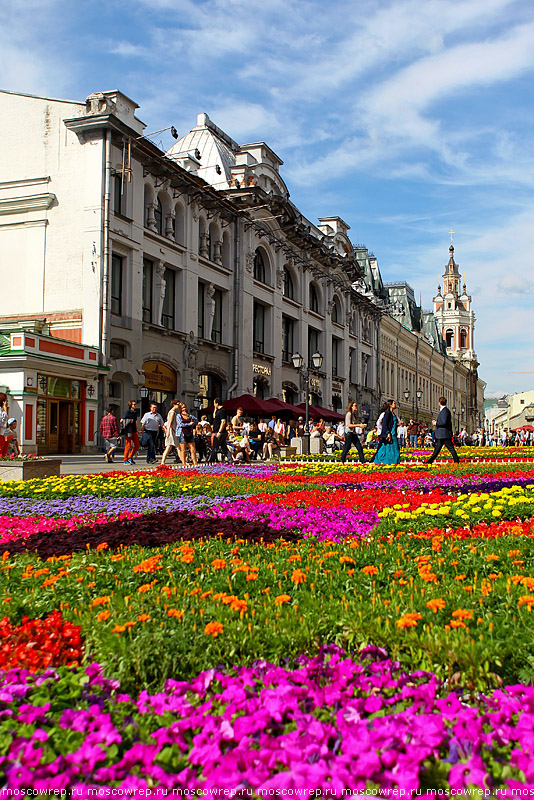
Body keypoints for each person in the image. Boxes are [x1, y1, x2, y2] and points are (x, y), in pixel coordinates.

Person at [426, 396, 460, 465]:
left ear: (439, 403)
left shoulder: (445, 411)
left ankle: (456, 460)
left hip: (444, 433)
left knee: (449, 448)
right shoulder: (445, 411)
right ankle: (430, 460)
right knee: (438, 448)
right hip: (443, 434)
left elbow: (444, 422)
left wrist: (436, 423)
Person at [375, 399, 401, 465]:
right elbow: (384, 423)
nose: (395, 404)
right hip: (391, 433)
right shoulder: (387, 413)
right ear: (390, 405)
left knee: (393, 448)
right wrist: (387, 433)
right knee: (389, 448)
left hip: (394, 433)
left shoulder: (394, 414)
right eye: (394, 403)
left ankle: (393, 461)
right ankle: (387, 461)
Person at [160, 399, 181, 466]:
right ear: (174, 405)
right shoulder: (172, 412)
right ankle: (183, 461)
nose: (179, 405)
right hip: (172, 431)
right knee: (175, 447)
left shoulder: (171, 412)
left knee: (172, 447)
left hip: (172, 431)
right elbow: (169, 423)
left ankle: (163, 462)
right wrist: (168, 431)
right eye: (178, 404)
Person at [210, 397, 229, 463]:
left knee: (215, 447)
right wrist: (215, 409)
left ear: (217, 403)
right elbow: (214, 417)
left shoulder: (222, 411)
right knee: (224, 448)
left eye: (214, 404)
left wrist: (219, 431)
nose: (214, 405)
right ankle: (230, 460)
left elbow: (223, 421)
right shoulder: (218, 411)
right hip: (218, 431)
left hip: (220, 432)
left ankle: (211, 461)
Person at [121, 400, 140, 465]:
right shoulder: (127, 412)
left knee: (137, 445)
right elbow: (121, 420)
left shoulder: (134, 412)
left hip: (134, 431)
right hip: (128, 431)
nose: (135, 405)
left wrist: (137, 430)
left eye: (135, 404)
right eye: (134, 404)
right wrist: (129, 421)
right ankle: (125, 460)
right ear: (130, 405)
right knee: (128, 445)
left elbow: (136, 421)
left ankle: (130, 456)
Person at [0, 393, 9, 458]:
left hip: (2, 435)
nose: (7, 402)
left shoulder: (2, 410)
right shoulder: (1, 411)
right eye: (6, 400)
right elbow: (3, 420)